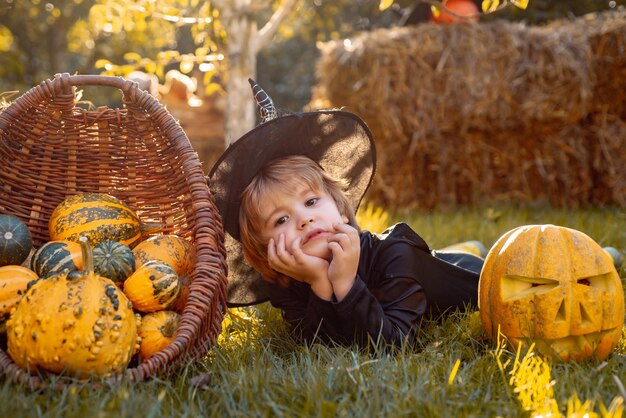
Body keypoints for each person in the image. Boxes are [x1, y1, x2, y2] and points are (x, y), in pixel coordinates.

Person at [208, 79, 484, 347]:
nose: (304, 219)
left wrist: (345, 283)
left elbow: (395, 343)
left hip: (475, 278)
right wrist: (319, 280)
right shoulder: (288, 279)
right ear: (265, 249)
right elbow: (320, 343)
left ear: (341, 210)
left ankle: (469, 254)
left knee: (467, 265)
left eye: (311, 202)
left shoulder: (393, 256)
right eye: (281, 220)